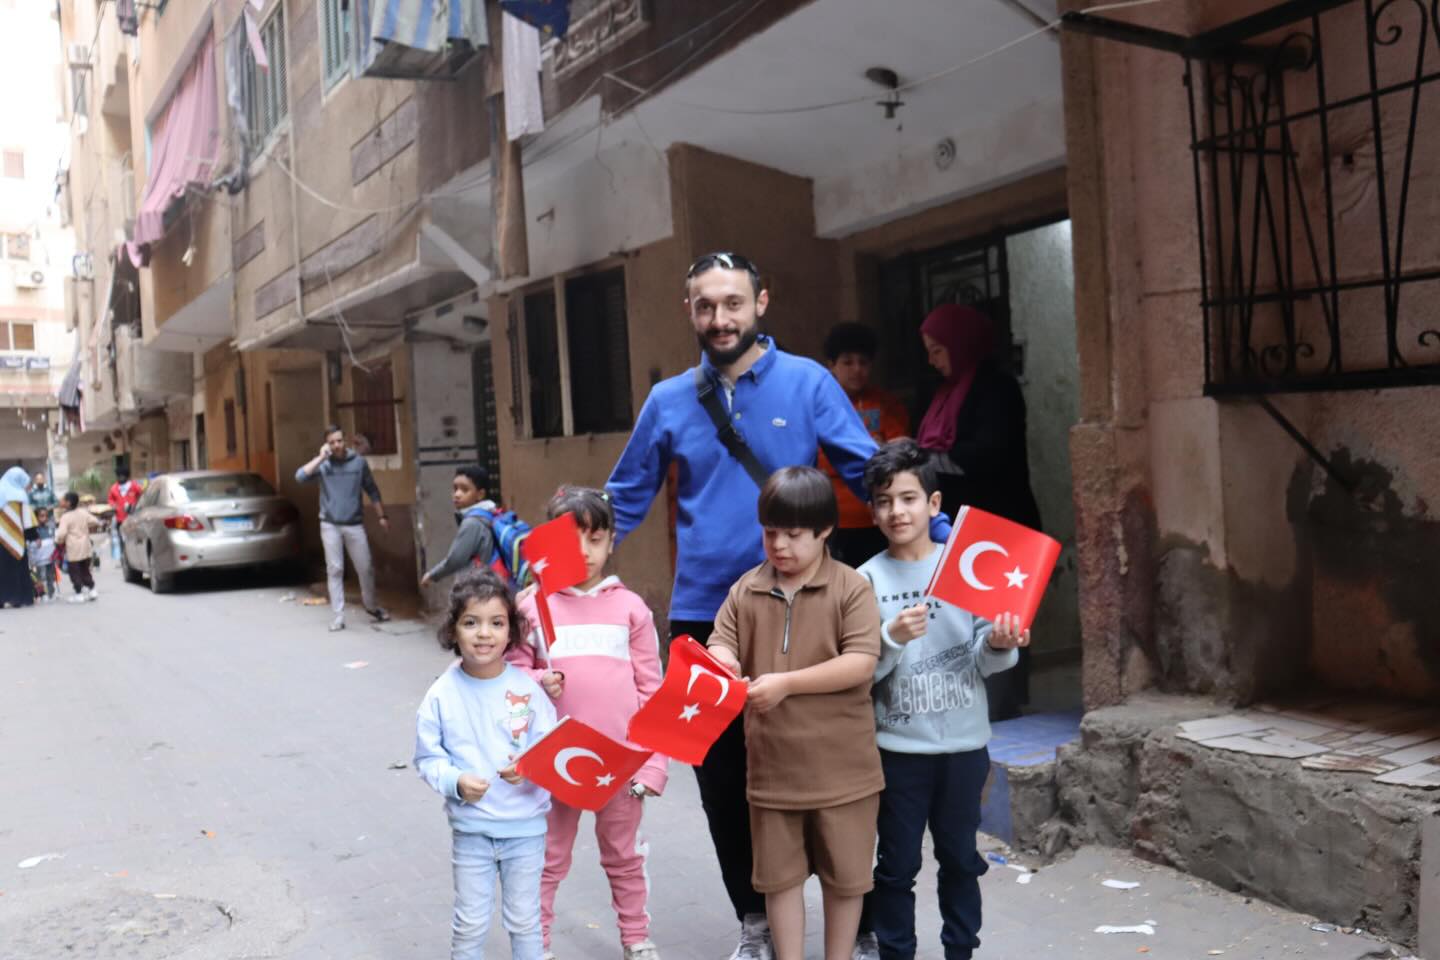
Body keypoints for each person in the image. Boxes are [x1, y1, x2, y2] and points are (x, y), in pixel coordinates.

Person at [608, 252, 929, 960]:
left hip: (811, 602)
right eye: (705, 306)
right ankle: (755, 921)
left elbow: (867, 469)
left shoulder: (808, 381)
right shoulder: (668, 400)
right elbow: (623, 499)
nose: (719, 318)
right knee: (723, 782)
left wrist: (935, 539)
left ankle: (861, 926)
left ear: (761, 302)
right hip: (707, 615)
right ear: (689, 311)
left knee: (837, 772)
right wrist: (549, 572)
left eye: (732, 303)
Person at [852, 439, 1029, 960]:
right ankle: (896, 952)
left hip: (963, 747)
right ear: (872, 512)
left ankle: (960, 949)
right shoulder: (864, 580)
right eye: (884, 501)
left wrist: (999, 643)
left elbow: (987, 657)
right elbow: (860, 671)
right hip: (898, 751)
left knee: (959, 859)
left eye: (908, 498)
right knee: (896, 865)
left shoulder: (966, 567)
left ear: (933, 504)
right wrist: (891, 638)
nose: (897, 511)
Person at [706, 467, 883, 960]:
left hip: (844, 774)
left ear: (825, 530)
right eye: (770, 532)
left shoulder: (851, 587)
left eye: (793, 534)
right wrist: (724, 660)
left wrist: (787, 684)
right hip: (772, 775)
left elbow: (861, 662)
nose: (779, 545)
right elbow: (720, 642)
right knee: (779, 881)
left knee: (845, 880)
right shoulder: (746, 590)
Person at [508, 486, 667, 960]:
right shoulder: (531, 608)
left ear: (612, 541)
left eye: (595, 538)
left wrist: (653, 764)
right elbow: (510, 675)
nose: (583, 551)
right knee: (546, 858)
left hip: (621, 763)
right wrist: (538, 679)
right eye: (570, 539)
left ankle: (636, 938)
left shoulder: (631, 608)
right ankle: (536, 945)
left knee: (624, 856)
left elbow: (653, 692)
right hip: (552, 761)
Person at [415, 569, 557, 960]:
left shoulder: (529, 690)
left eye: (496, 623)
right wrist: (455, 780)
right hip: (472, 831)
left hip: (526, 830)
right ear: (453, 629)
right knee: (470, 924)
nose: (484, 633)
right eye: (471, 622)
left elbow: (552, 748)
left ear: (511, 631)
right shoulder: (441, 695)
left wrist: (530, 765)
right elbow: (428, 757)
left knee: (525, 922)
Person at [916, 304, 1040, 721]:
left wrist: (926, 458)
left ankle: (1002, 705)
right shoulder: (942, 393)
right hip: (961, 526)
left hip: (1002, 522)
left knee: (1003, 618)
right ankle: (975, 700)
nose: (932, 360)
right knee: (965, 619)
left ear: (960, 344)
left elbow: (988, 453)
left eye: (938, 350)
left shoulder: (997, 390)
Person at [818, 323, 909, 568]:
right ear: (831, 365)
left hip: (878, 518)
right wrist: (876, 450)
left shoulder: (887, 403)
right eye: (847, 362)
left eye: (863, 362)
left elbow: (901, 455)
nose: (856, 369)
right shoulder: (820, 405)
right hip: (832, 519)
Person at [296, 424, 391, 631]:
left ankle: (371, 606)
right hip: (330, 524)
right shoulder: (323, 464)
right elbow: (300, 477)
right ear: (326, 445)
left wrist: (382, 516)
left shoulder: (358, 463)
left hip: (354, 524)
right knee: (335, 569)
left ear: (345, 440)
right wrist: (321, 457)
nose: (336, 445)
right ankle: (338, 616)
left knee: (365, 567)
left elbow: (372, 490)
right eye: (332, 442)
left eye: (339, 441)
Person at [420, 465, 497, 590]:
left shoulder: (472, 523)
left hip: (477, 588)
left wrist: (432, 575)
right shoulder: (488, 515)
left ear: (480, 494)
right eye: (455, 488)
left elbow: (455, 560)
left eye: (465, 490)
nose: (457, 494)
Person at [0, 466, 37, 607]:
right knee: (16, 569)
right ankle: (18, 599)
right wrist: (33, 536)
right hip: (17, 540)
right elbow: (27, 520)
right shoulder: (20, 496)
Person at [55, 491, 100, 603]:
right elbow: (95, 521)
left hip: (73, 548)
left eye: (63, 500)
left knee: (74, 572)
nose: (61, 501)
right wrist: (86, 527)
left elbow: (61, 534)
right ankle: (92, 590)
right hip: (85, 546)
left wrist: (58, 541)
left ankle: (79, 593)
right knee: (85, 569)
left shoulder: (65, 517)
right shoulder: (83, 513)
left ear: (68, 503)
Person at [107, 467, 142, 562]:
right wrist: (113, 505)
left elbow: (141, 496)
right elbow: (110, 500)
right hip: (120, 519)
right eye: (118, 476)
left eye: (122, 476)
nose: (120, 478)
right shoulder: (114, 488)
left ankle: (136, 557)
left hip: (133, 518)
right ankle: (125, 557)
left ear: (127, 476)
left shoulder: (134, 486)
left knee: (134, 538)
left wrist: (136, 505)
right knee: (122, 538)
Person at [26, 506, 57, 603]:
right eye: (42, 516)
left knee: (51, 577)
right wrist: (32, 560)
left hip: (50, 558)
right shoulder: (33, 531)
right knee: (41, 578)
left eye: (46, 516)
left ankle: (51, 593)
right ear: (36, 517)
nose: (45, 518)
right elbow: (30, 546)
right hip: (39, 560)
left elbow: (53, 541)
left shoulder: (50, 528)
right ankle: (43, 594)